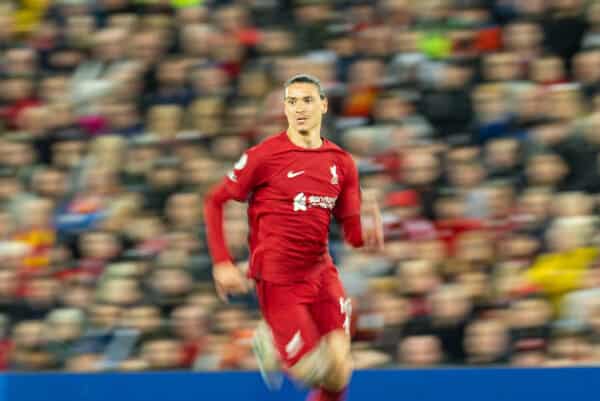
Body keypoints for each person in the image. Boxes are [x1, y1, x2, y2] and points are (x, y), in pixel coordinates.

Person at [204, 74, 384, 401]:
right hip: (279, 280)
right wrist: (221, 263)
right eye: (292, 102)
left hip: (321, 272)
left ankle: (278, 341)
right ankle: (271, 337)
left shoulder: (341, 163)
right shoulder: (265, 156)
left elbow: (352, 236)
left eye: (307, 100)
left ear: (323, 105)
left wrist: (367, 236)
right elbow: (215, 200)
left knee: (339, 372)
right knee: (312, 372)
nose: (299, 108)